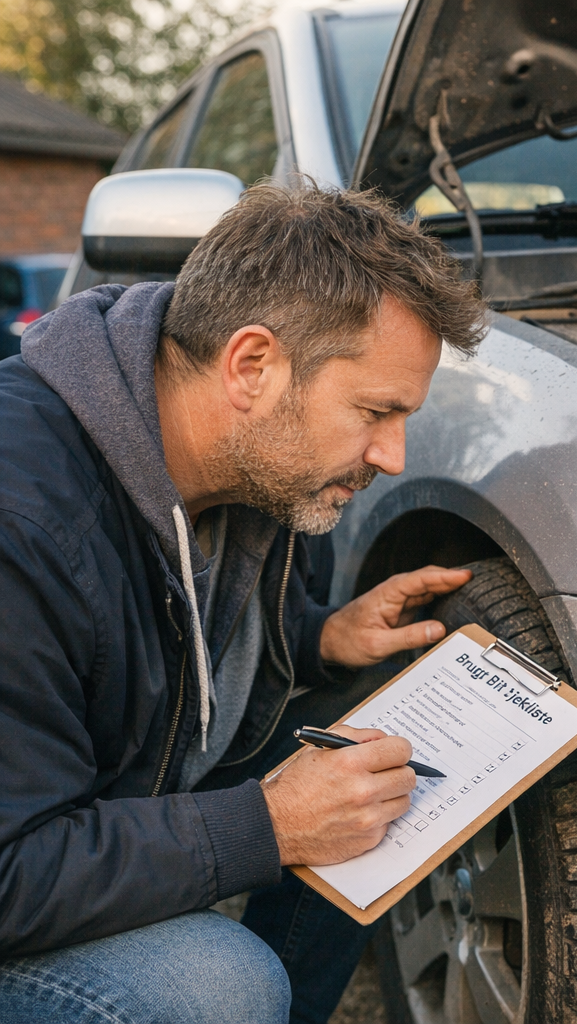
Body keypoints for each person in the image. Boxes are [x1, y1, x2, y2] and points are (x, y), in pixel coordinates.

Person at [0, 181, 488, 1023]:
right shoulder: (24, 524)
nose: (395, 455)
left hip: (86, 820)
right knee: (217, 989)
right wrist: (267, 825)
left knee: (380, 763)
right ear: (252, 365)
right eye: (375, 411)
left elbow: (151, 647)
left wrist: (318, 639)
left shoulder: (263, 471)